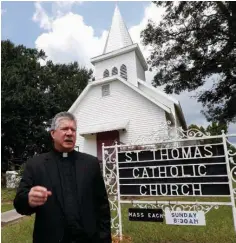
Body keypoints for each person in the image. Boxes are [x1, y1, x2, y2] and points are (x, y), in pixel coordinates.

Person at [14, 112, 111, 243]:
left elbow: (102, 207)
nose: (70, 133)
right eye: (65, 129)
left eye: (73, 130)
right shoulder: (36, 165)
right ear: (53, 134)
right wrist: (28, 199)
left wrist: (104, 239)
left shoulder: (91, 163)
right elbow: (19, 205)